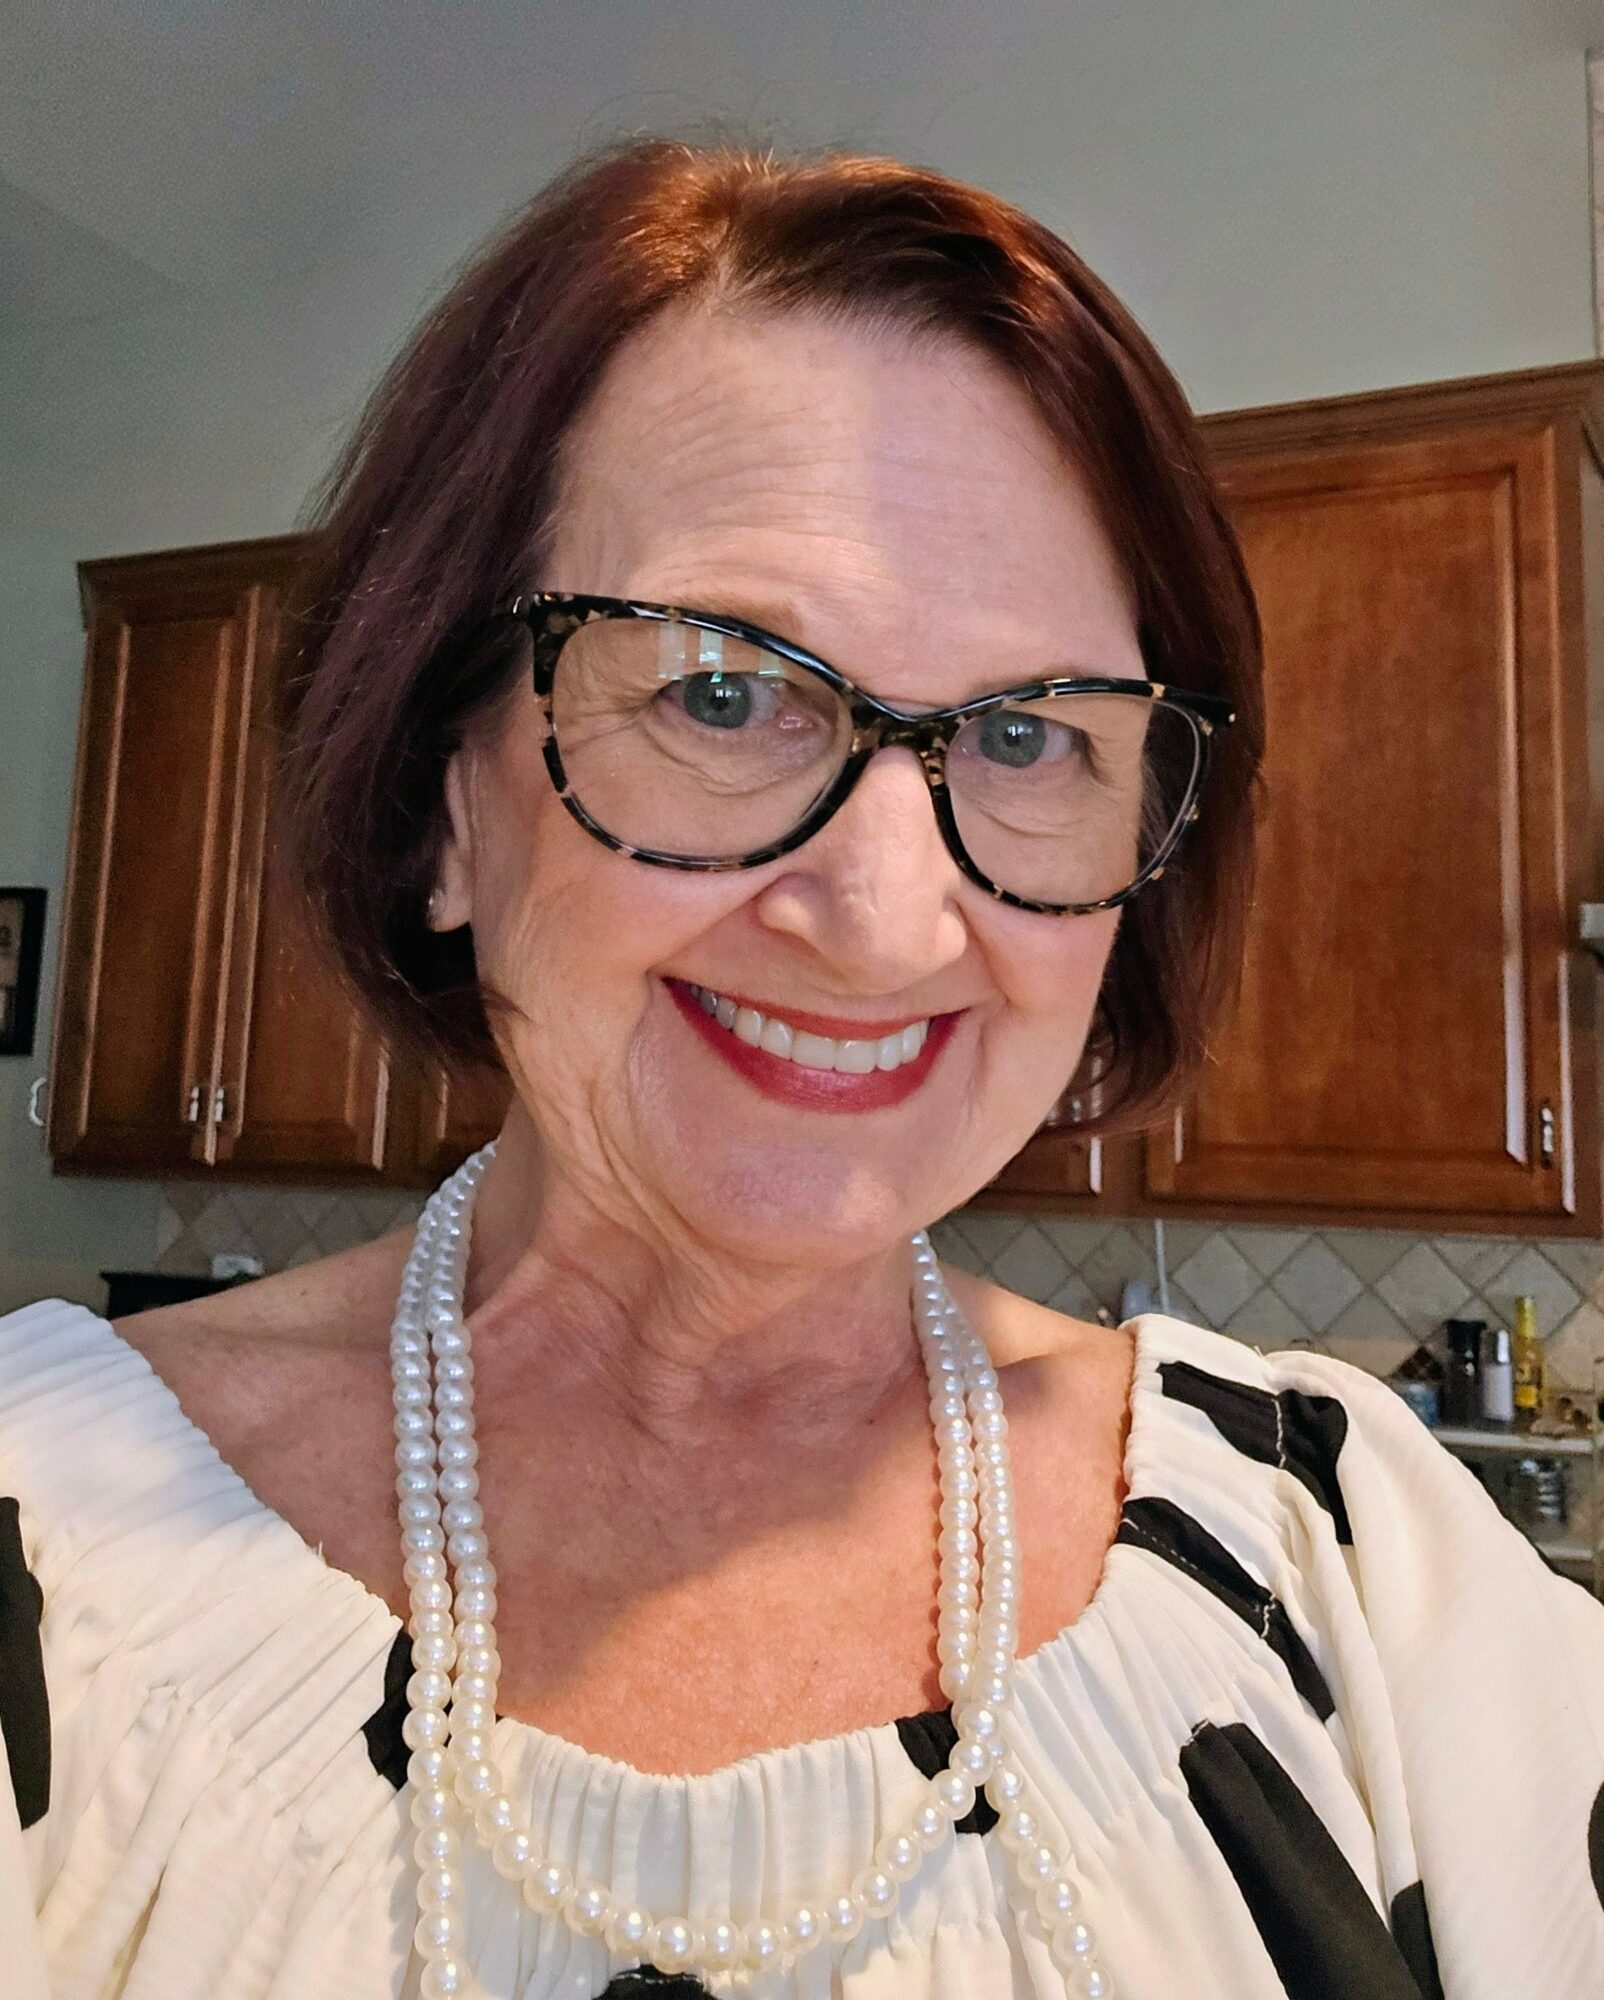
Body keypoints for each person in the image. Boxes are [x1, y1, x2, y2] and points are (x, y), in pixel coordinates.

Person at [2, 135, 1601, 2000]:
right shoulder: (57, 1534)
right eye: (723, 691)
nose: (885, 920)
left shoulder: (1357, 1573)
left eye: (1029, 735)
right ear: (443, 809)